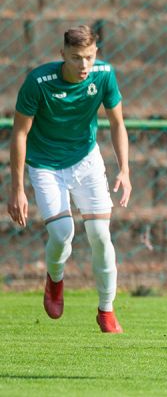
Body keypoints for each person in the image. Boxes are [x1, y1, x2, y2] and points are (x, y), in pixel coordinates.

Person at [7, 25, 131, 333]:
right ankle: (55, 279)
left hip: (86, 161)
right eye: (76, 58)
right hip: (45, 165)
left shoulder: (104, 74)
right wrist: (17, 189)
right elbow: (19, 134)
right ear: (63, 55)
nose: (84, 65)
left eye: (89, 57)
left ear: (96, 54)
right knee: (63, 233)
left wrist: (125, 171)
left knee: (101, 235)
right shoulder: (39, 81)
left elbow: (117, 124)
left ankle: (106, 309)